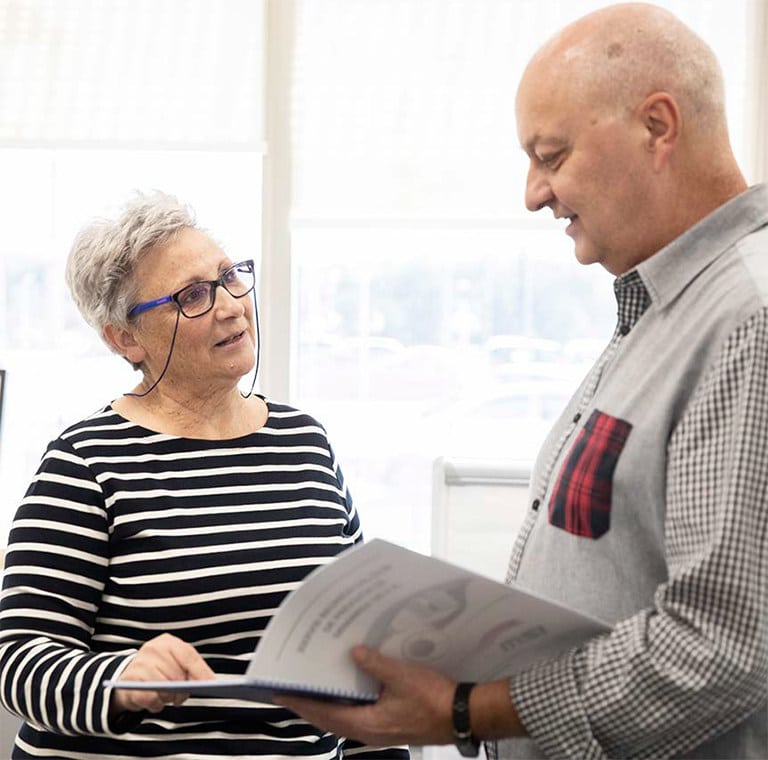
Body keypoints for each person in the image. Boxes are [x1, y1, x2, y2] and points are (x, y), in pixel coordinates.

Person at [277, 3, 768, 758]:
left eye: (552, 154)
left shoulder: (746, 320)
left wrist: (473, 708)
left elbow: (720, 644)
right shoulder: (664, 308)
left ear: (658, 127)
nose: (533, 193)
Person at [0, 191, 409, 760]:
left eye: (229, 276)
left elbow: (358, 651)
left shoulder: (305, 443)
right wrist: (120, 680)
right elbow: (21, 662)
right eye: (192, 295)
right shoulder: (86, 461)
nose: (230, 305)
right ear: (125, 338)